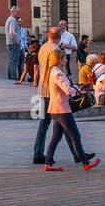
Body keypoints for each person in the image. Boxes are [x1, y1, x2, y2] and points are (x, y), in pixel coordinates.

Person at [41, 49, 100, 172]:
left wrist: (76, 86)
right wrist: (78, 90)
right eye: (64, 58)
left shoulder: (52, 71)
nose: (66, 60)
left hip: (55, 109)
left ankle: (48, 163)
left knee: (56, 137)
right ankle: (85, 162)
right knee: (75, 135)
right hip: (62, 110)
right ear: (59, 59)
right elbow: (68, 91)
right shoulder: (58, 73)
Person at [32, 27, 81, 164]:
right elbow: (55, 72)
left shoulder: (42, 47)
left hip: (42, 90)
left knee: (46, 123)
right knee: (64, 122)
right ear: (59, 37)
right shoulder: (55, 51)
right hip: (51, 92)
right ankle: (77, 154)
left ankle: (38, 153)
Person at [4, 7, 24, 82]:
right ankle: (13, 78)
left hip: (10, 43)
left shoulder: (10, 19)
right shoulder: (12, 20)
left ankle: (10, 77)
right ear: (12, 11)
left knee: (11, 61)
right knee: (14, 62)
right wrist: (18, 40)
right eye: (17, 12)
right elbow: (11, 32)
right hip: (14, 43)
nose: (18, 13)